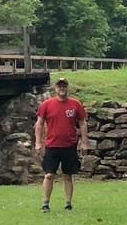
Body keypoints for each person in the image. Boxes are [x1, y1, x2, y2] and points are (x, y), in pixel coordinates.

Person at [34, 76, 88, 212]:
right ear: (55, 88)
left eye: (64, 86)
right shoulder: (46, 105)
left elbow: (82, 123)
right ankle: (45, 203)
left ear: (67, 87)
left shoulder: (75, 104)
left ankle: (68, 203)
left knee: (67, 175)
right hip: (52, 145)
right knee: (49, 174)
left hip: (69, 145)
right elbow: (39, 124)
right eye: (59, 86)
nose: (61, 88)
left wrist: (84, 143)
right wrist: (38, 142)